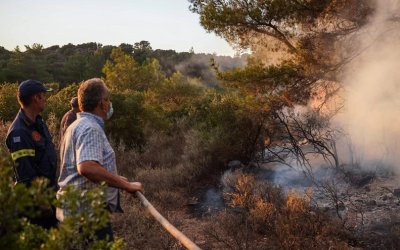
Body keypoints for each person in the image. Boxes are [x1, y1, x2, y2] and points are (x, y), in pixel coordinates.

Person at [57, 78, 144, 241]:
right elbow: (87, 167)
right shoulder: (90, 128)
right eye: (108, 99)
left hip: (75, 213)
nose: (110, 103)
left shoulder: (76, 126)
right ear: (101, 103)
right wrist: (127, 185)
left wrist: (116, 179)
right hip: (87, 217)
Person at [5, 79, 58, 228]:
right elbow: (26, 174)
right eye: (43, 95)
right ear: (36, 98)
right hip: (36, 206)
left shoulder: (38, 122)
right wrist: (43, 202)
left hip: (49, 196)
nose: (45, 99)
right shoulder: (20, 132)